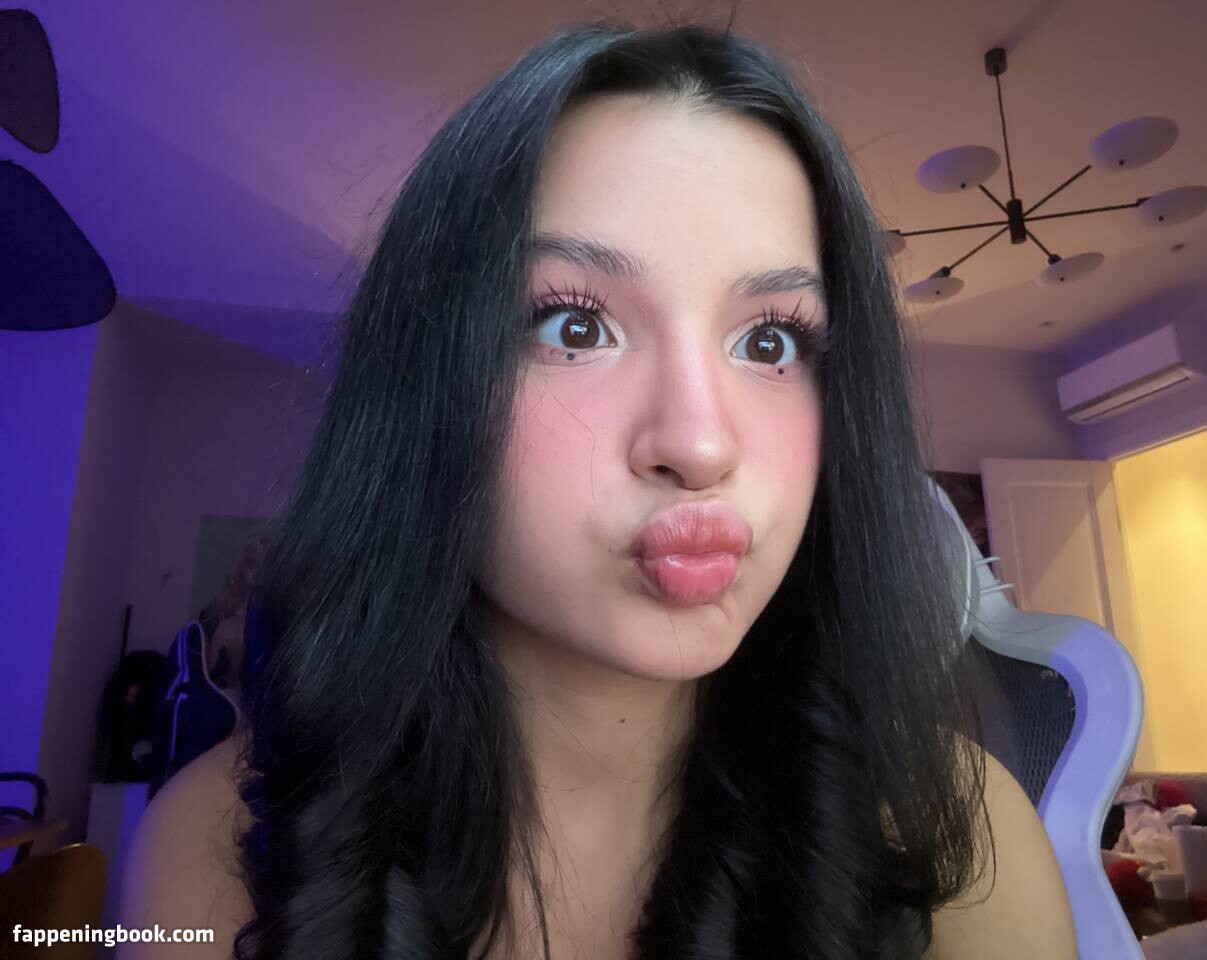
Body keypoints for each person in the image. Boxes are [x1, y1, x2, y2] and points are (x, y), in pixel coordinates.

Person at [120, 22, 1077, 960]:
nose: (699, 445)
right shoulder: (209, 860)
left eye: (771, 341)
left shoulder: (963, 853)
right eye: (574, 328)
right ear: (426, 381)